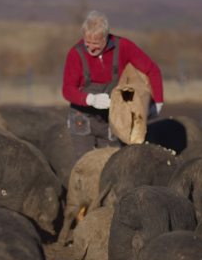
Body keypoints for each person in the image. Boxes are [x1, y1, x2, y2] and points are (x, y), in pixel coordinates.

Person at [62, 10, 164, 161]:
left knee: (113, 164)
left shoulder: (123, 47)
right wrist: (90, 99)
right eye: (87, 43)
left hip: (113, 118)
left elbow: (152, 70)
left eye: (95, 44)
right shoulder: (75, 54)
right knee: (85, 165)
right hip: (82, 119)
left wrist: (158, 101)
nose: (90, 49)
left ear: (106, 37)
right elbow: (67, 90)